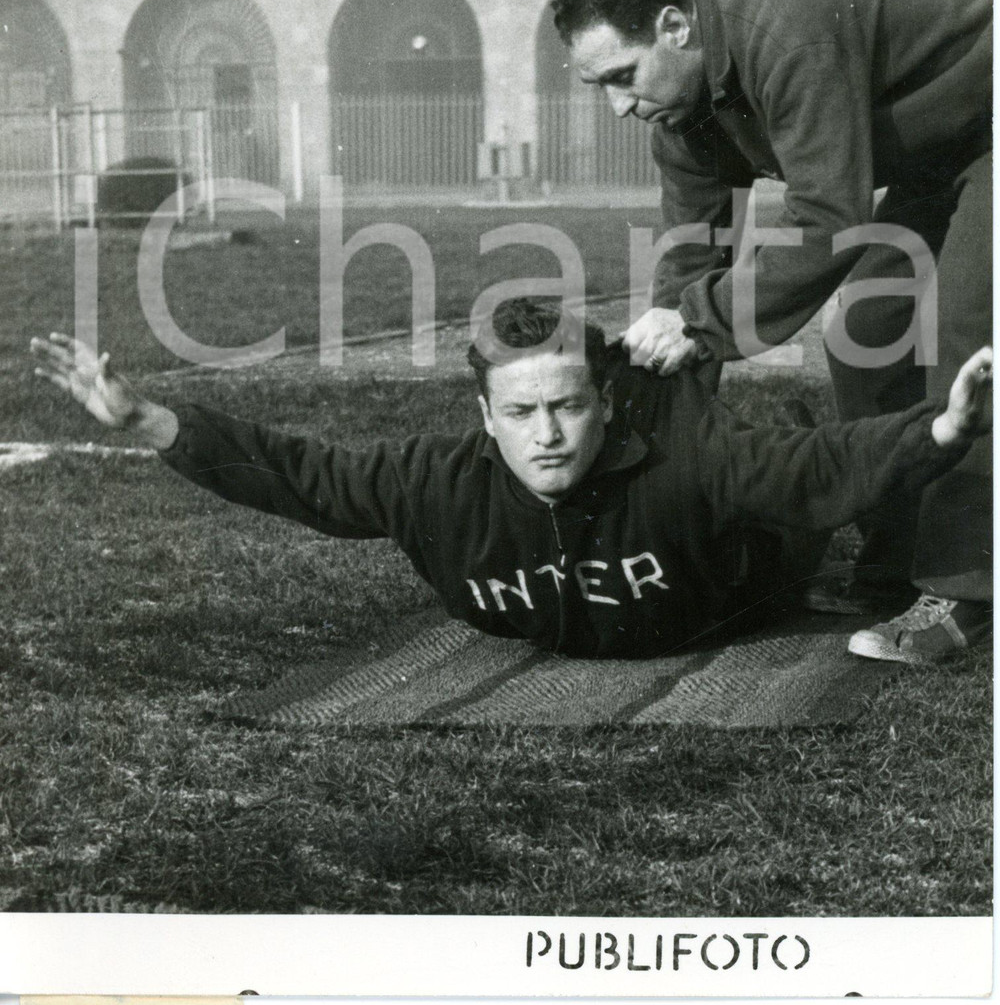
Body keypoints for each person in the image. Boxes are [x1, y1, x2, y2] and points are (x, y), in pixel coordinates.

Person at [30, 298, 991, 665]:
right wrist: (150, 420)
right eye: (522, 413)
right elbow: (307, 476)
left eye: (568, 406)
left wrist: (941, 428)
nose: (548, 433)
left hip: (735, 584)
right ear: (485, 419)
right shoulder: (438, 484)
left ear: (602, 405)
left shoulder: (688, 466)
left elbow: (818, 469)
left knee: (787, 478)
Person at [551, 0, 991, 661]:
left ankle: (973, 590)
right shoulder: (680, 113)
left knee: (965, 331)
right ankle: (897, 559)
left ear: (675, 26)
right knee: (868, 331)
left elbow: (830, 215)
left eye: (624, 76)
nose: (620, 106)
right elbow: (693, 254)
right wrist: (658, 401)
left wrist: (702, 322)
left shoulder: (786, 30)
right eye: (599, 85)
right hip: (943, 155)